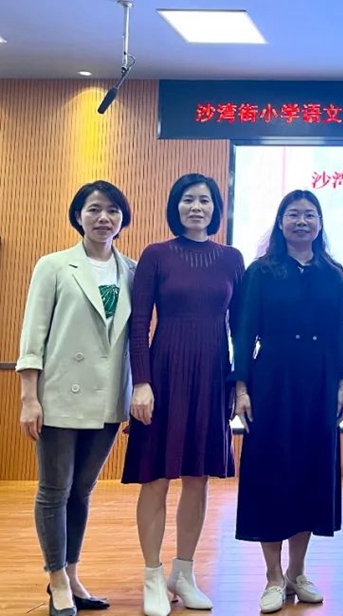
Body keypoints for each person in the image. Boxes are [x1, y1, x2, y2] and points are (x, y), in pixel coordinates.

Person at [122, 173, 245, 616]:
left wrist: (238, 384)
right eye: (188, 200)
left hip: (212, 375)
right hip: (164, 374)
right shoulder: (156, 255)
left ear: (216, 208)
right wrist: (141, 382)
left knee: (198, 477)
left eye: (205, 200)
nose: (197, 207)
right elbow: (138, 324)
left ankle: (184, 572)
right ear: (176, 206)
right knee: (155, 478)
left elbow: (240, 327)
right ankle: (152, 575)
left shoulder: (231, 258)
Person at [232, 190, 343, 613]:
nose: (302, 221)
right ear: (280, 221)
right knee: (270, 471)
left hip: (319, 380)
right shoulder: (261, 271)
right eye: (293, 214)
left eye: (309, 215)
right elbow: (244, 333)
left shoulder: (332, 272)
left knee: (309, 472)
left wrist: (342, 384)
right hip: (272, 379)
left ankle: (296, 573)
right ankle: (271, 576)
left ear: (319, 223)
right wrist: (242, 389)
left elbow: (340, 333)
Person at [17, 181, 136, 616]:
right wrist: (29, 397)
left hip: (108, 399)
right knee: (54, 490)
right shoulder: (53, 266)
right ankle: (56, 580)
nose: (103, 218)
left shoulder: (132, 271)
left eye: (112, 210)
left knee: (81, 491)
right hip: (59, 396)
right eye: (94, 209)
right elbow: (33, 334)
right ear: (78, 216)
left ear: (122, 219)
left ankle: (72, 573)